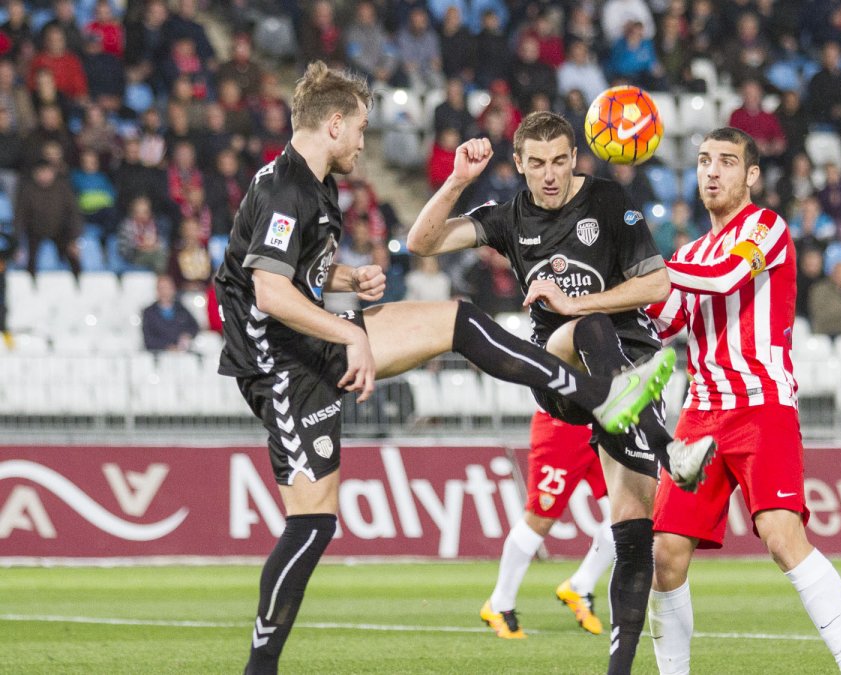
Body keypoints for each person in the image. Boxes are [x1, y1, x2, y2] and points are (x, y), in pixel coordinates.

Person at [214, 63, 674, 675]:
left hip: (314, 340)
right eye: (360, 129)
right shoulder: (285, 189)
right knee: (313, 523)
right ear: (332, 123)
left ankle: (600, 394)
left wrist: (346, 280)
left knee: (456, 320)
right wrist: (348, 338)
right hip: (282, 367)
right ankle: (259, 668)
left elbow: (296, 275)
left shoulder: (314, 185)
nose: (362, 140)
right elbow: (269, 293)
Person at [404, 111, 713, 671]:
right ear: (518, 165)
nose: (549, 175)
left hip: (628, 366)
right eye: (537, 164)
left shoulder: (610, 203)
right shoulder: (506, 216)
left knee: (633, 529)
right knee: (585, 330)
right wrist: (457, 180)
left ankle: (619, 668)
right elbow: (420, 242)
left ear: (576, 158)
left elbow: (658, 281)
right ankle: (669, 448)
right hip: (561, 369)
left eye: (560, 161)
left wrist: (576, 300)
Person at [645, 128, 841, 675]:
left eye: (726, 161)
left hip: (761, 404)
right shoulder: (690, 252)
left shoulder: (766, 228)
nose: (712, 171)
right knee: (665, 556)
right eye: (703, 161)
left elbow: (724, 279)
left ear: (751, 175)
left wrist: (651, 274)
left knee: (780, 536)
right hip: (700, 416)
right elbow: (660, 322)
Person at [483, 411, 614, 639]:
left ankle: (580, 586)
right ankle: (499, 603)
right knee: (541, 517)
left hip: (607, 424)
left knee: (634, 510)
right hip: (563, 423)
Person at [142, 274, 199, 351]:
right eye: (162, 288)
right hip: (159, 355)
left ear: (173, 289)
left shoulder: (181, 309)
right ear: (157, 290)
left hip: (182, 352)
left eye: (168, 288)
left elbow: (194, 326)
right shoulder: (149, 312)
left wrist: (187, 335)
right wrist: (167, 346)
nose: (165, 292)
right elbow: (149, 339)